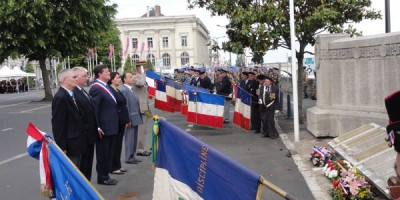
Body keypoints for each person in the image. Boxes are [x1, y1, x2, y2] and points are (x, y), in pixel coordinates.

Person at [89, 64, 119, 185]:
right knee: (103, 153)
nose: (109, 73)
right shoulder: (96, 88)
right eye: (106, 72)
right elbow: (95, 109)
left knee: (109, 152)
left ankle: (106, 174)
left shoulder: (105, 87)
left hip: (110, 126)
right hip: (104, 127)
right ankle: (102, 176)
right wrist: (97, 126)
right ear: (100, 74)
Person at [51, 69, 85, 168]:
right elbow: (58, 124)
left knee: (77, 171)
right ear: (65, 80)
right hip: (70, 144)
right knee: (71, 172)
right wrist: (61, 147)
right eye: (74, 77)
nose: (76, 79)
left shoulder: (71, 94)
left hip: (77, 142)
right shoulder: (60, 97)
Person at [71, 67, 99, 181]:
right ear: (76, 78)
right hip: (84, 135)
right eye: (85, 76)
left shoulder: (82, 90)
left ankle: (87, 186)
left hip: (90, 134)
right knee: (82, 166)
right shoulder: (74, 93)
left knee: (88, 164)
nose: (88, 78)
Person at [108, 72, 130, 174]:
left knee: (118, 145)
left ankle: (118, 165)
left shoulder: (117, 90)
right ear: (112, 80)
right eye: (117, 78)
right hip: (116, 121)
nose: (119, 80)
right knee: (115, 145)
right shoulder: (111, 90)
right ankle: (113, 166)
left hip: (121, 121)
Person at [120, 71, 144, 164]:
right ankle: (128, 157)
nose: (132, 78)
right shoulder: (124, 90)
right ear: (125, 80)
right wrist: (127, 119)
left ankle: (132, 155)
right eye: (130, 77)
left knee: (134, 138)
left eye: (132, 76)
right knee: (129, 139)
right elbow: (125, 106)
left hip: (135, 117)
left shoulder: (131, 89)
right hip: (130, 118)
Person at [132, 61, 152, 157]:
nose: (146, 69)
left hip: (145, 107)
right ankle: (139, 149)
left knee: (145, 129)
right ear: (138, 69)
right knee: (141, 129)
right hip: (140, 107)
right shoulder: (136, 77)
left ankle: (143, 147)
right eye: (144, 68)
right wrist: (143, 74)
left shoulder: (143, 77)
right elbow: (140, 83)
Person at [258, 74, 279, 139]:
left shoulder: (274, 88)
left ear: (271, 82)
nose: (266, 82)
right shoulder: (262, 87)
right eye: (265, 81)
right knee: (264, 120)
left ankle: (272, 134)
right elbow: (260, 94)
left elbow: (273, 98)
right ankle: (266, 133)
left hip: (271, 107)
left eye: (267, 81)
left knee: (270, 121)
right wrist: (260, 99)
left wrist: (276, 108)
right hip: (263, 106)